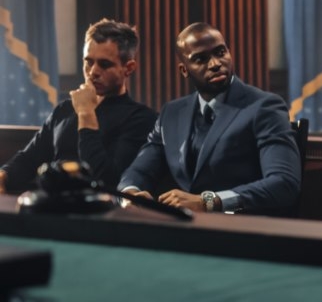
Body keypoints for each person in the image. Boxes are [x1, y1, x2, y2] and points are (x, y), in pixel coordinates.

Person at [119, 23, 301, 216]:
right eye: (201, 59)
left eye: (220, 52)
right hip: (184, 231)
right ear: (184, 70)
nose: (215, 64)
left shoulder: (264, 106)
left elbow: (284, 183)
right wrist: (131, 194)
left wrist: (208, 201)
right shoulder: (171, 113)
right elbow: (138, 171)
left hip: (243, 232)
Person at [0, 19, 157, 194]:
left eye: (104, 64)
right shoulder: (65, 109)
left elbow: (106, 179)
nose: (93, 72)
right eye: (88, 62)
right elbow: (29, 158)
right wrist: (4, 175)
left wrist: (86, 113)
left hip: (96, 213)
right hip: (49, 205)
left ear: (128, 68)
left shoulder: (142, 118)